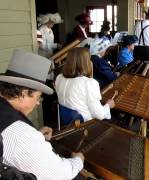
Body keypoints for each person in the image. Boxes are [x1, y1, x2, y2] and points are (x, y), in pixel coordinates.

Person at [0, 49, 84, 179]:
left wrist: (36, 136)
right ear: (24, 94)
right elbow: (59, 175)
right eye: (38, 97)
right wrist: (78, 160)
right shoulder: (19, 134)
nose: (38, 103)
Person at [55, 47, 115, 122]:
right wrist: (108, 105)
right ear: (86, 62)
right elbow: (99, 115)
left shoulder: (59, 77)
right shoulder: (89, 83)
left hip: (64, 120)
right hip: (84, 125)